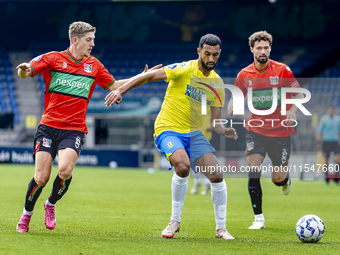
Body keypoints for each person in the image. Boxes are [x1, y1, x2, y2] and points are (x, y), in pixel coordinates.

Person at [15, 21, 160, 233]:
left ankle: (50, 204)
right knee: (41, 177)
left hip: (74, 129)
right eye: (89, 40)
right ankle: (26, 215)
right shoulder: (53, 59)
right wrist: (23, 70)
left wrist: (143, 77)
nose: (93, 43)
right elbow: (26, 72)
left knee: (65, 171)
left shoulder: (95, 66)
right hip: (48, 126)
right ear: (75, 40)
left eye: (93, 39)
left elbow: (115, 86)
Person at [105, 34, 238, 240]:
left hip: (194, 133)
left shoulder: (218, 84)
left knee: (217, 175)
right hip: (168, 128)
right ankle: (174, 221)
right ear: (199, 52)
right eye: (207, 54)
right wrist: (121, 90)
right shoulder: (183, 69)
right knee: (183, 166)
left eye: (215, 55)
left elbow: (215, 122)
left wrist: (225, 130)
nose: (211, 58)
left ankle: (221, 228)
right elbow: (147, 76)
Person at [227, 31, 304, 230]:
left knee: (277, 179)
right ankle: (258, 218)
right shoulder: (244, 74)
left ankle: (284, 180)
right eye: (259, 48)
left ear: (270, 48)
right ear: (252, 49)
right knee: (253, 170)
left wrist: (293, 110)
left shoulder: (282, 70)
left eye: (266, 47)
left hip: (280, 131)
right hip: (256, 129)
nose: (263, 51)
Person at [316, 106, 340, 184]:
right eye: (329, 110)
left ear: (333, 110)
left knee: (338, 159)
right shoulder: (323, 119)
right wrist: (319, 141)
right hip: (326, 141)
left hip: (335, 141)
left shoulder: (338, 119)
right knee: (326, 161)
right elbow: (319, 130)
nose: (331, 111)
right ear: (327, 110)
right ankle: (327, 179)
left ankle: (336, 177)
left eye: (332, 110)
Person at [190, 113, 212, 195]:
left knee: (200, 163)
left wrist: (213, 126)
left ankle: (203, 183)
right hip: (192, 136)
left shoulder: (208, 105)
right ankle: (200, 183)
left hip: (204, 137)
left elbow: (216, 115)